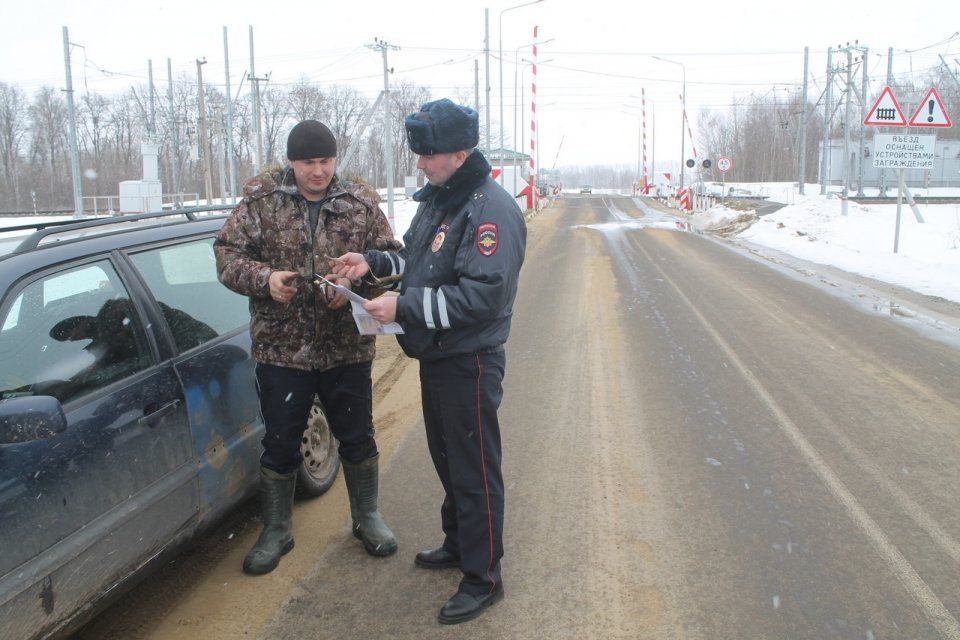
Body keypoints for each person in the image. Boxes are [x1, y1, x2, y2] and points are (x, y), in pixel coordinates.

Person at [332, 99, 526, 624]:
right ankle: (459, 543)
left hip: (471, 360)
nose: (419, 163)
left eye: (428, 154)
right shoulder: (442, 198)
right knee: (447, 459)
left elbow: (482, 296)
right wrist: (371, 262)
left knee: (474, 469)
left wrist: (405, 306)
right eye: (418, 153)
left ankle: (484, 577)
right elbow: (420, 259)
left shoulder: (490, 210)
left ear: (460, 154)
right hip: (439, 356)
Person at [215, 119, 401, 576]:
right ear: (292, 162)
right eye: (307, 162)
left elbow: (392, 259)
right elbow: (226, 256)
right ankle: (277, 529)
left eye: (325, 161)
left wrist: (356, 280)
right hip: (282, 350)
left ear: (335, 160)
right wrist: (265, 280)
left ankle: (366, 517)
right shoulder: (260, 203)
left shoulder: (360, 204)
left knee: (357, 436)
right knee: (280, 442)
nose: (317, 171)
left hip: (346, 349)